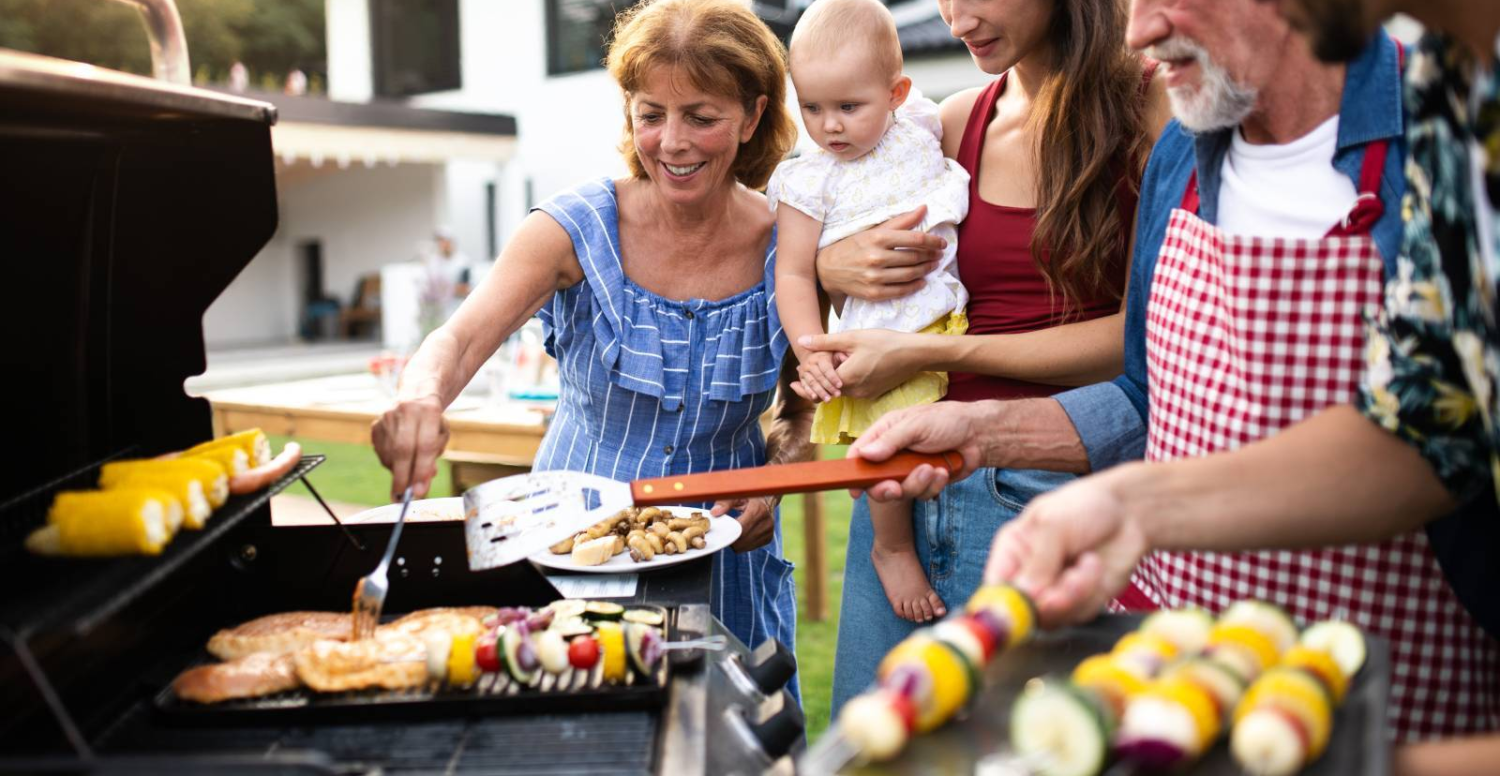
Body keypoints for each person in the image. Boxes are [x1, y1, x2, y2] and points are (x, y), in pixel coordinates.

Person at [848, 0, 1500, 743]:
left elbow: (1430, 449)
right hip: (1183, 682)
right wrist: (985, 431)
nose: (1137, 32)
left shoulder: (1437, 132)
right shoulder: (1181, 157)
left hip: (1397, 693)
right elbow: (1150, 398)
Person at [370, 0, 811, 697]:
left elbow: (804, 403)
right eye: (650, 113)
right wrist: (419, 397)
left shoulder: (790, 245)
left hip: (727, 562)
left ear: (753, 117)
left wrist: (775, 482)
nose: (672, 141)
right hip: (572, 548)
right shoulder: (574, 227)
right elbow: (454, 341)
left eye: (702, 116)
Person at [818, 0, 1170, 713]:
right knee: (870, 748)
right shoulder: (950, 122)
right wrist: (834, 266)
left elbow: (1144, 341)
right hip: (905, 491)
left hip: (1042, 495)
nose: (954, 19)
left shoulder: (1151, 106)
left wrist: (917, 349)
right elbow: (876, 268)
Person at [770, 0, 971, 623]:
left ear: (897, 92)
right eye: (812, 107)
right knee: (886, 449)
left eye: (848, 107)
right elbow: (794, 272)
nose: (829, 126)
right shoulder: (810, 181)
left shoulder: (921, 125)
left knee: (940, 456)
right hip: (877, 335)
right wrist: (811, 347)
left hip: (951, 319)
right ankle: (892, 547)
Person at [417, 227, 475, 336]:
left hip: (459, 310)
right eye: (440, 241)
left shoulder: (462, 262)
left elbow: (464, 288)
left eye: (445, 240)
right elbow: (428, 288)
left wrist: (447, 289)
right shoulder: (433, 262)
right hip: (438, 313)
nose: (443, 244)